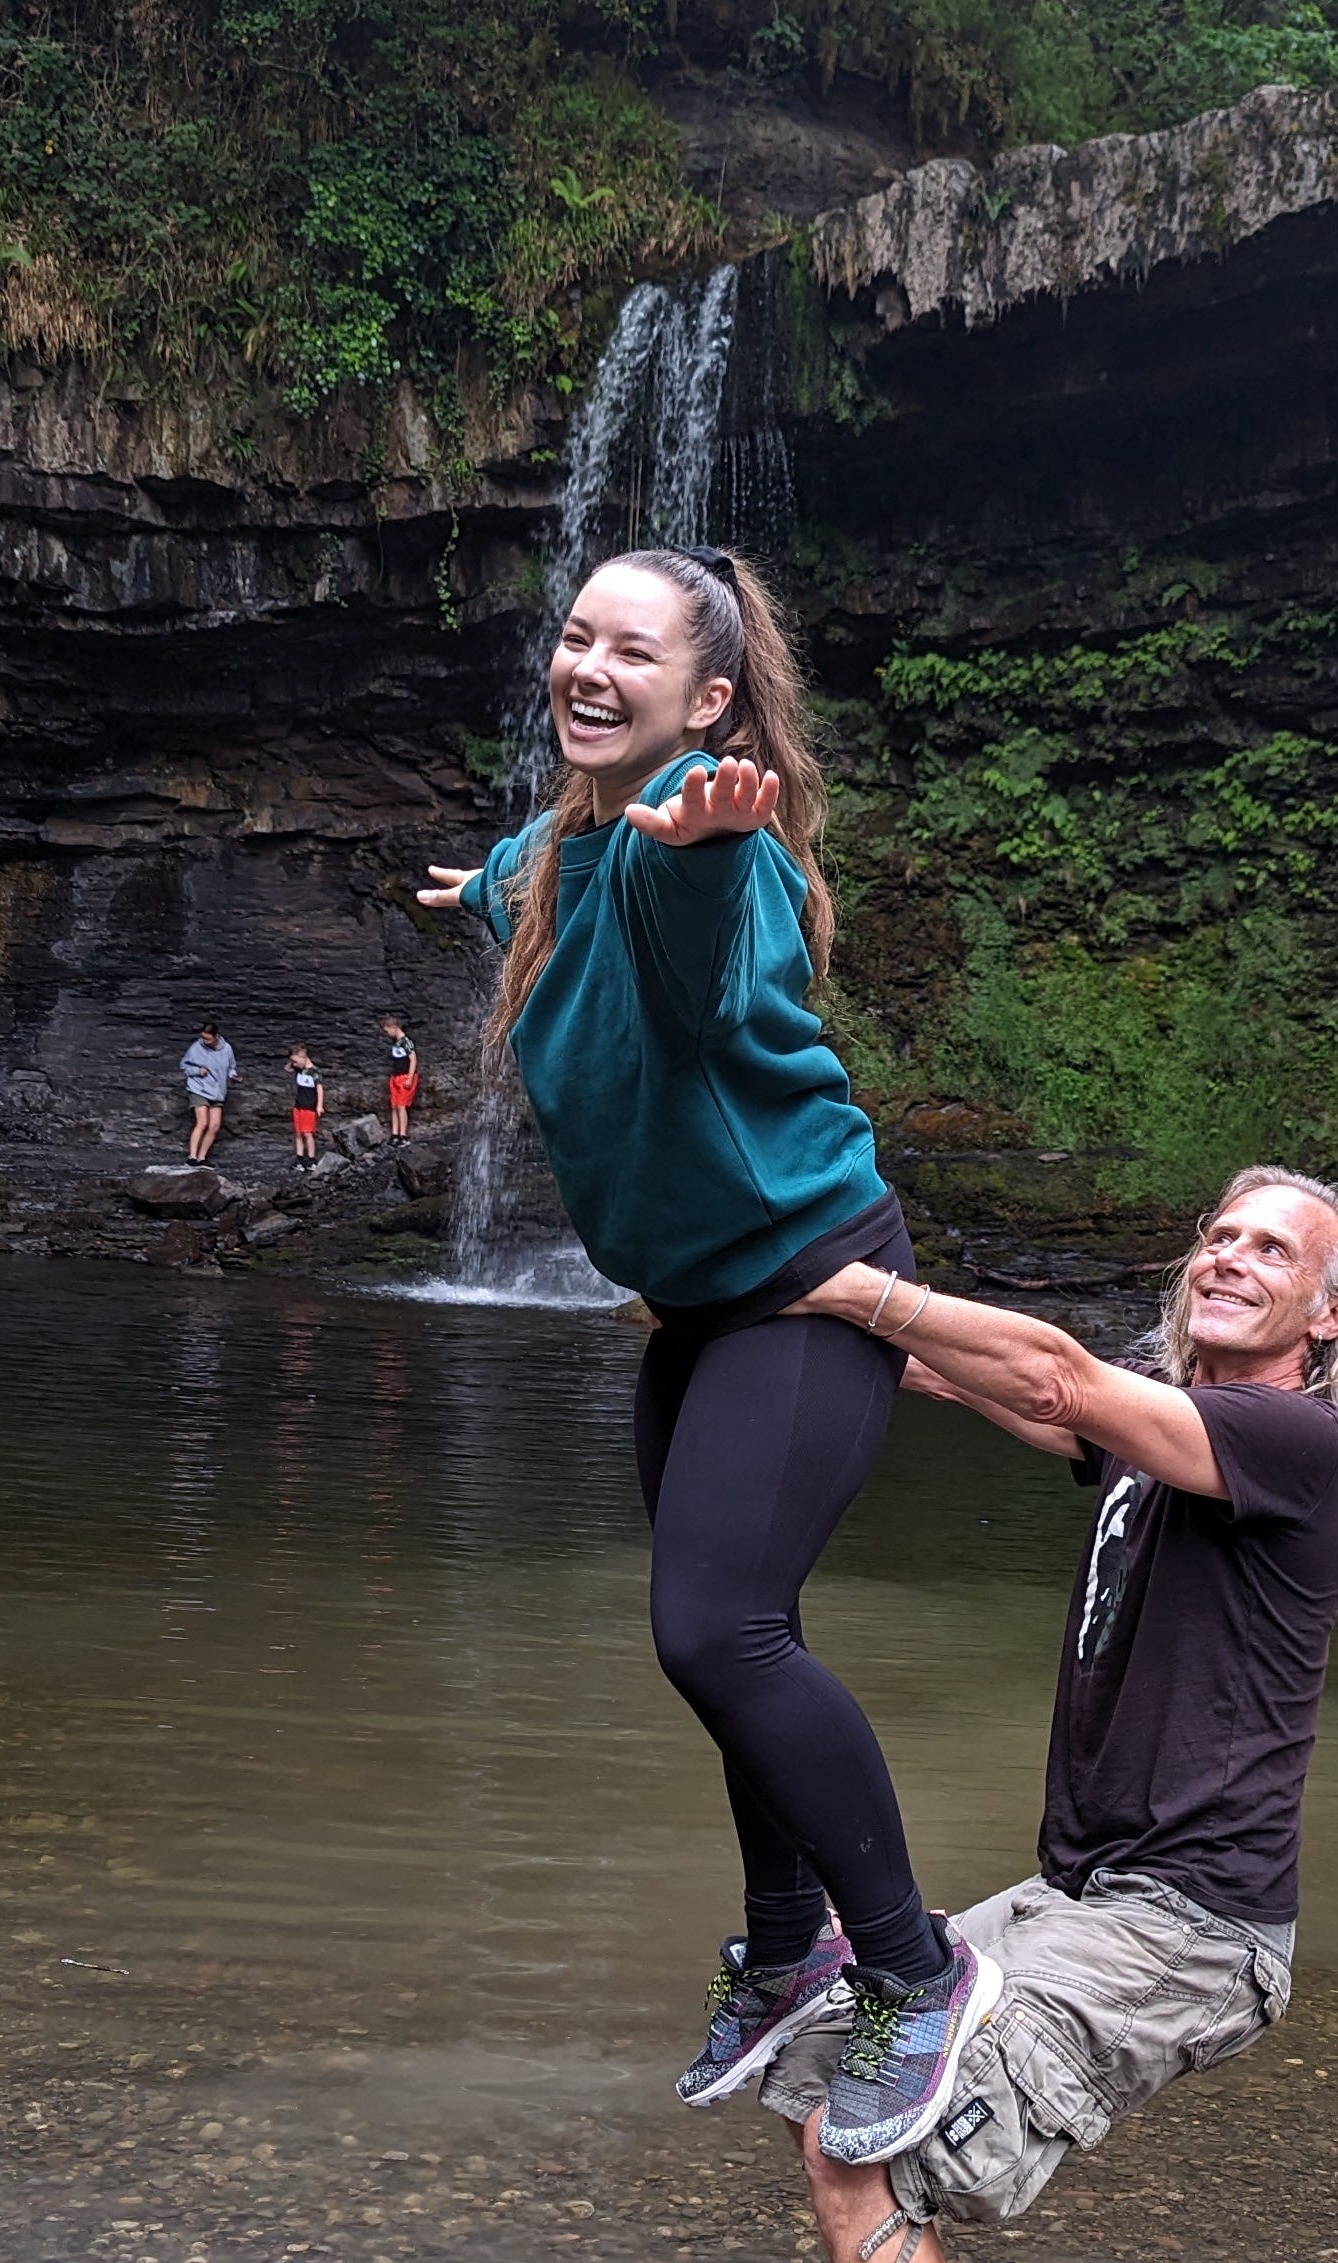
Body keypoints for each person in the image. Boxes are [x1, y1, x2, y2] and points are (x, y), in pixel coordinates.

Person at [688, 1167, 1338, 2263]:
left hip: (1185, 1931)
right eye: (1217, 1233)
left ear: (1330, 1318)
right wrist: (752, 1308)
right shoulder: (1162, 1438)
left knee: (861, 2146)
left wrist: (842, 1281)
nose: (1229, 1256)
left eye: (1273, 1248)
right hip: (1084, 1895)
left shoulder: (1295, 1443)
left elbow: (1059, 1374)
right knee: (826, 2053)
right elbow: (1000, 1384)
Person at [420, 547, 997, 2166]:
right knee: (740, 1637)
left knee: (717, 1631)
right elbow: (537, 869)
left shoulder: (706, 849)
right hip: (699, 1308)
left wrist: (702, 847)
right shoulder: (566, 843)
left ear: (710, 700)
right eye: (575, 637)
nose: (589, 667)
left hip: (808, 1287)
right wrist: (470, 893)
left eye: (634, 650)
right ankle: (787, 1943)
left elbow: (686, 957)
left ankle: (915, 1967)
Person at [179, 1027, 234, 1162]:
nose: (205, 1041)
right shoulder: (196, 1047)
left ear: (216, 1036)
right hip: (199, 1088)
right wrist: (196, 1070)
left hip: (217, 1091)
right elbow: (184, 1066)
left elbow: (231, 1067)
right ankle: (192, 1157)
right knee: (202, 1122)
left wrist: (234, 1075)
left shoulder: (227, 1049)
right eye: (203, 1038)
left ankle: (202, 1157)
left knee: (214, 1125)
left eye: (208, 1039)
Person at [380, 1013, 419, 1141]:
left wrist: (410, 1078)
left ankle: (403, 1135)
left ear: (394, 1027)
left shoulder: (405, 1041)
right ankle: (395, 1134)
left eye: (387, 1031)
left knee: (402, 1106)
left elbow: (413, 1059)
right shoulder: (395, 1042)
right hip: (396, 1076)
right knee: (395, 1106)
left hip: (405, 1076)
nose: (387, 1034)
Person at [287, 1045, 324, 1165]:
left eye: (296, 1061)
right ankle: (300, 1159)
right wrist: (294, 1061)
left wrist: (319, 1105)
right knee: (298, 1133)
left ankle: (311, 1159)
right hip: (298, 1106)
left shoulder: (314, 1072)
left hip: (309, 1107)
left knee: (307, 1133)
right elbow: (287, 1068)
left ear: (303, 1057)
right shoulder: (299, 1069)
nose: (294, 1064)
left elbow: (319, 1089)